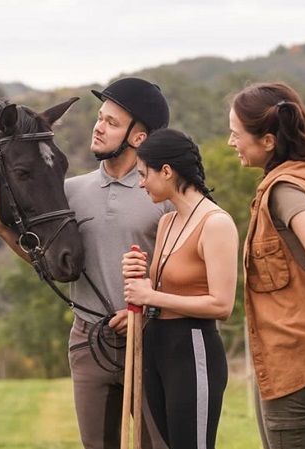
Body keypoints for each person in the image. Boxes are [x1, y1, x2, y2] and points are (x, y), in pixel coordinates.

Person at [0, 77, 171, 448]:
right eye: (100, 118)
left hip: (150, 341)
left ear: (139, 137)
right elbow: (47, 262)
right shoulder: (69, 192)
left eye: (112, 122)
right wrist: (1, 228)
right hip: (88, 341)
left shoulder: (163, 195)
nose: (98, 127)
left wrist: (149, 309)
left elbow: (189, 271)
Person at [228, 81, 305, 448]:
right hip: (296, 365)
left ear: (267, 141)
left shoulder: (286, 190)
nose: (231, 142)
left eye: (236, 134)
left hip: (297, 367)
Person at [121, 128, 238, 449]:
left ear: (167, 171)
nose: (141, 183)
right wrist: (138, 278)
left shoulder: (216, 223)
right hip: (157, 346)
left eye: (143, 174)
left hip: (192, 347)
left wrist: (151, 295)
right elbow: (161, 291)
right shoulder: (167, 222)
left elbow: (222, 305)